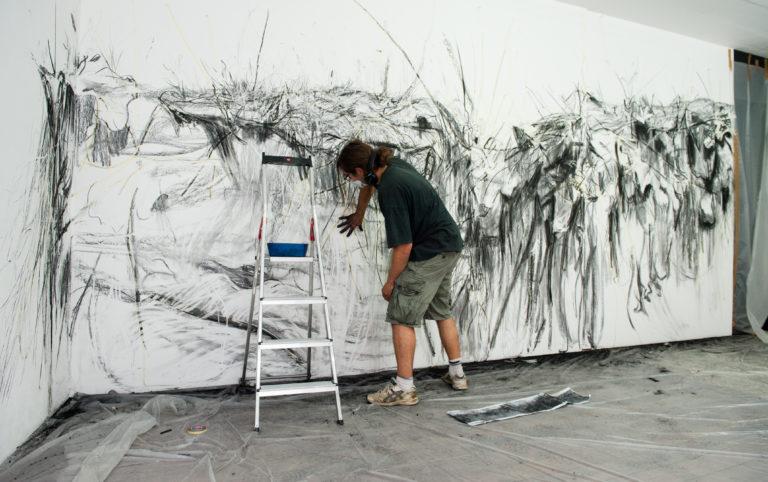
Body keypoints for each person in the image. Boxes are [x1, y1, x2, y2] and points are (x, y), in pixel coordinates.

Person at [336, 139, 467, 406]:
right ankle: (457, 374)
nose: (351, 180)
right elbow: (368, 185)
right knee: (441, 311)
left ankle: (404, 388)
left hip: (429, 252)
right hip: (449, 245)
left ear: (360, 170)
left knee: (401, 315)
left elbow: (404, 246)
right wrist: (359, 214)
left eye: (349, 175)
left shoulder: (391, 190)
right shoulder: (392, 165)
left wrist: (391, 282)